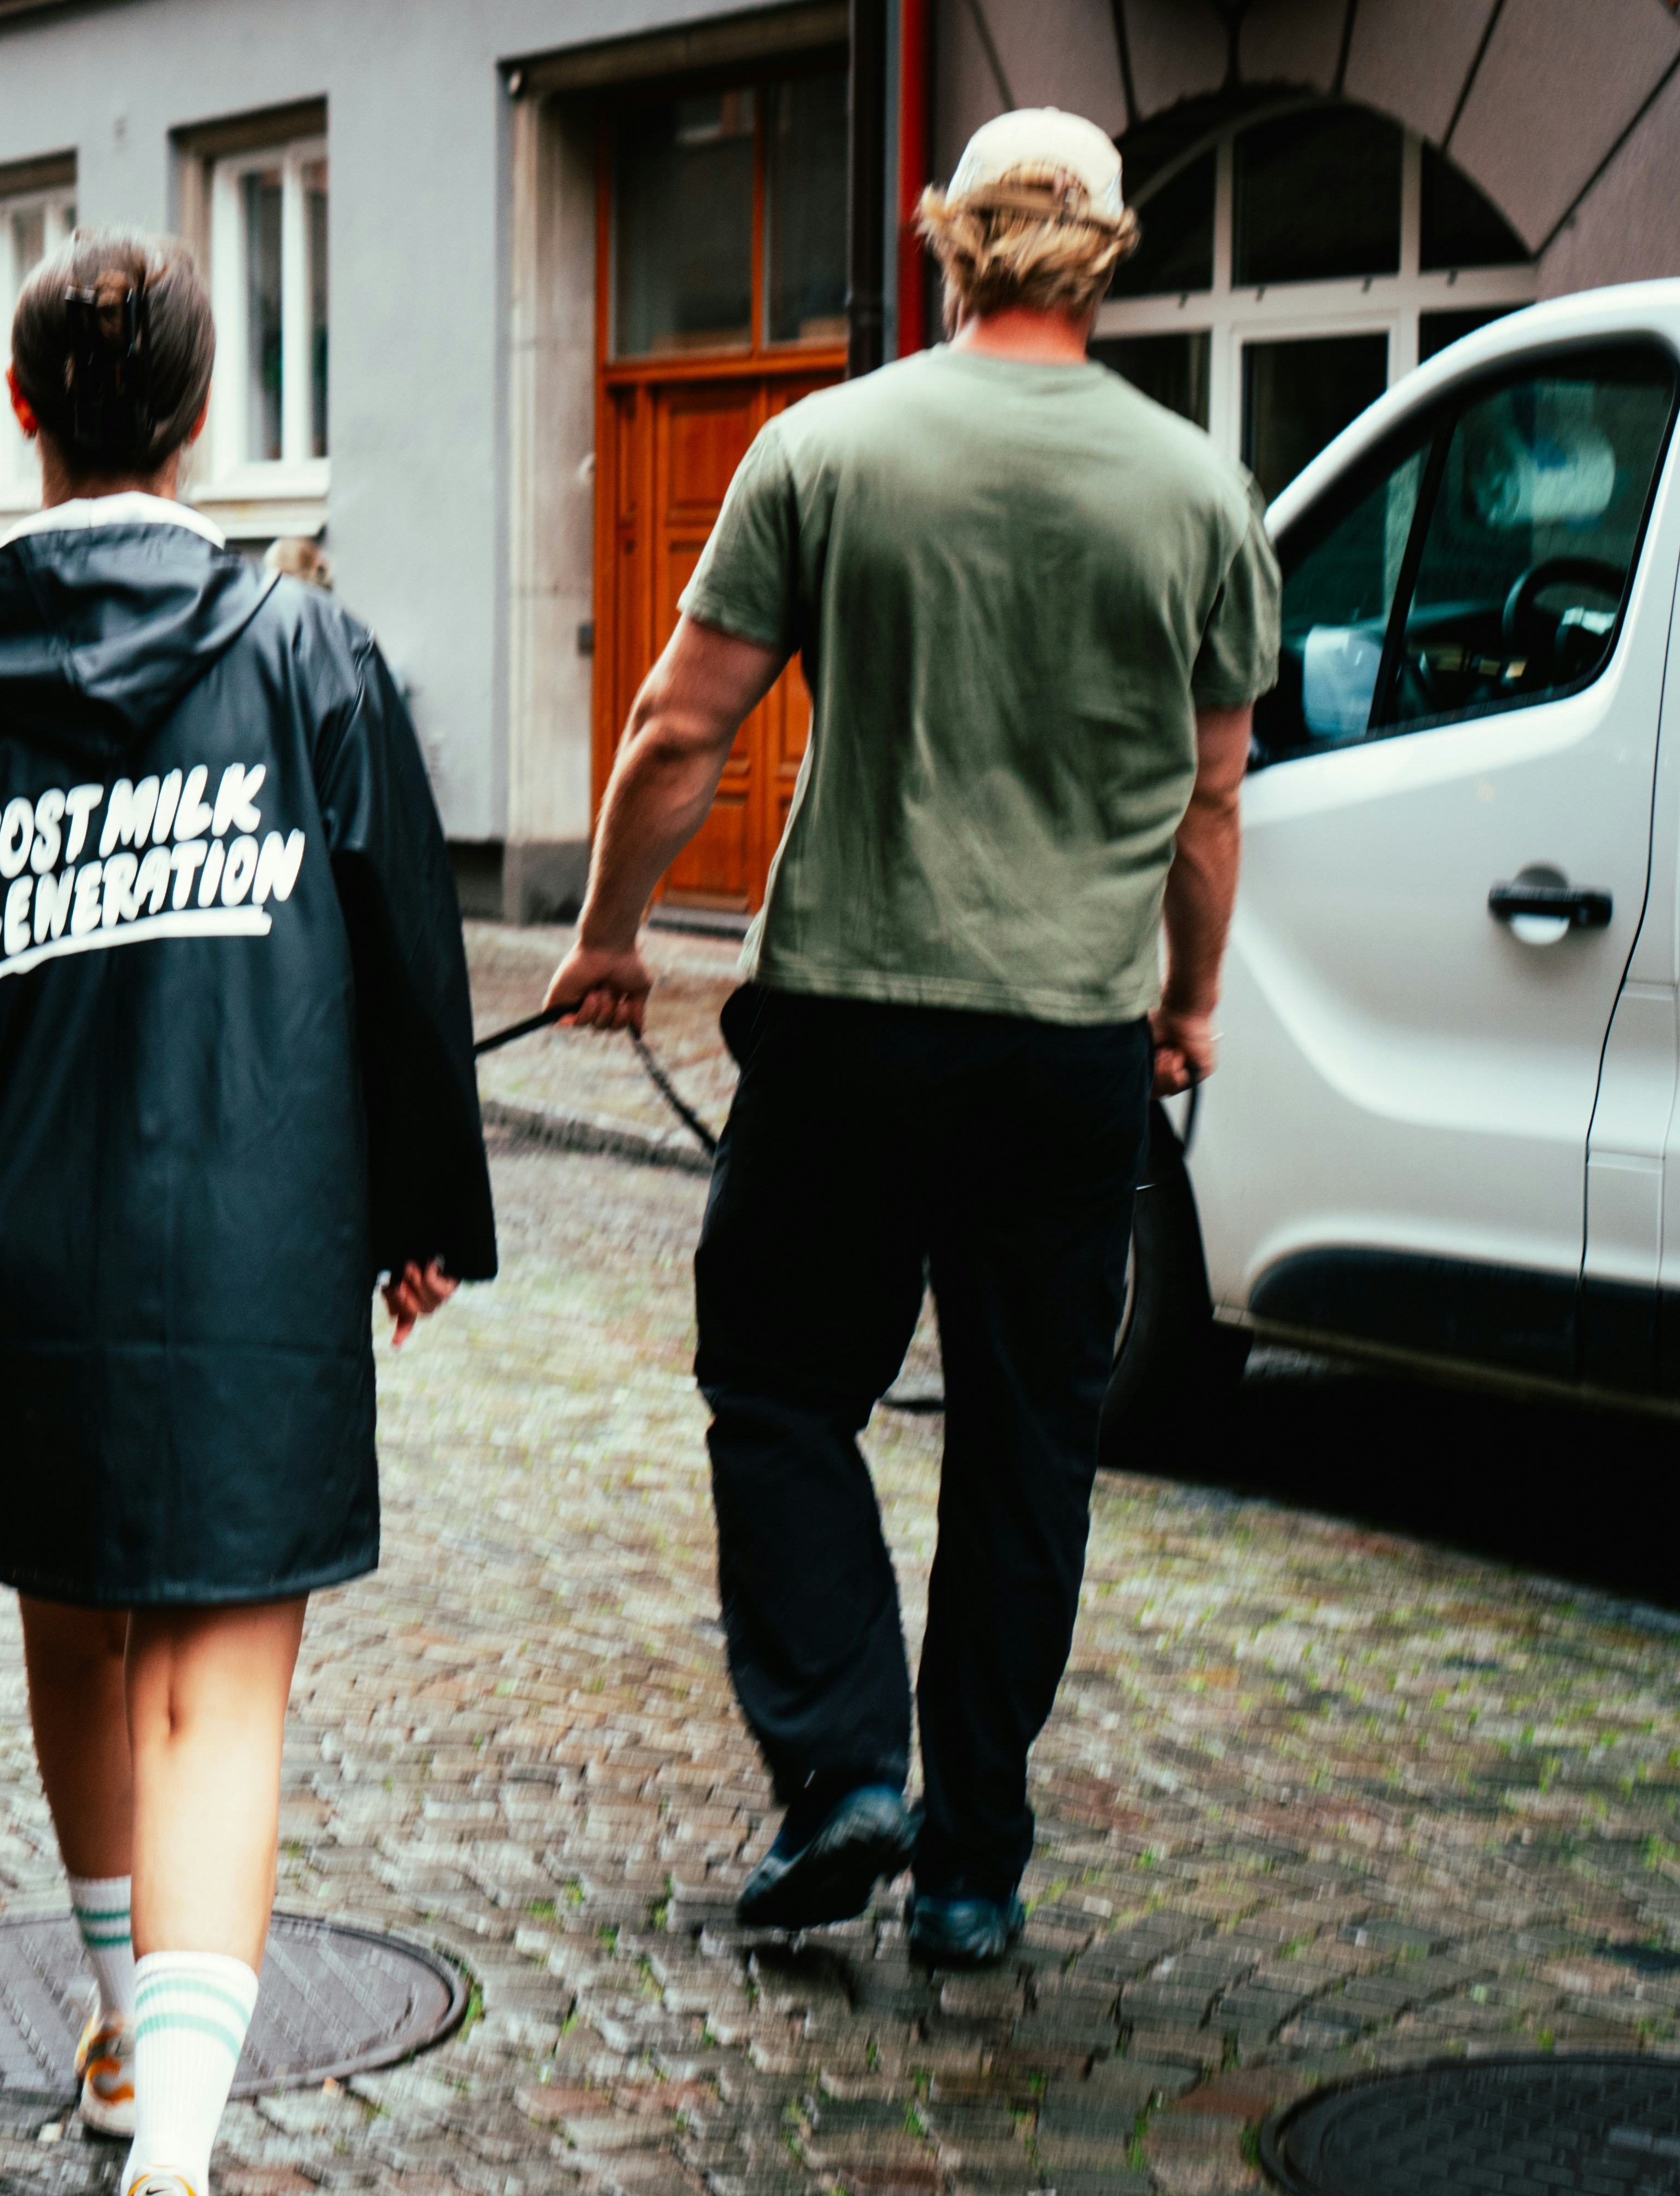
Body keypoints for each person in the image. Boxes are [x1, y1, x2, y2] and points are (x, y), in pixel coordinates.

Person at [0, 226, 495, 2196]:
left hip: (10, 1265)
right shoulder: (311, 656)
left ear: (23, 417)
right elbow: (408, 954)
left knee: (68, 1621)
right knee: (218, 1689)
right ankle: (177, 2149)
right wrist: (420, 1210)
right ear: (204, 420)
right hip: (253, 1261)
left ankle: (135, 2037)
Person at [545, 109, 1277, 1968]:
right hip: (1065, 1051)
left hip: (855, 1023)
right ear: (1106, 257)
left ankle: (844, 1770)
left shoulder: (828, 446)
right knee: (1030, 1443)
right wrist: (1187, 1001)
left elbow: (676, 732)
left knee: (782, 1391)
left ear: (946, 243)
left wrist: (613, 934)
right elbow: (1211, 806)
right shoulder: (1201, 489)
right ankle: (971, 1862)